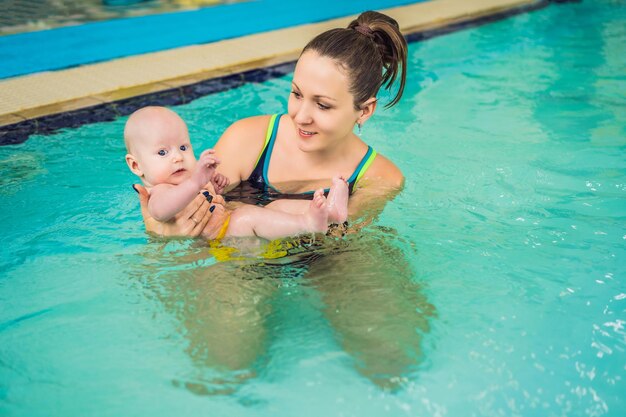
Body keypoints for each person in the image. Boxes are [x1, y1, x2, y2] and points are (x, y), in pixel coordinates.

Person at [133, 10, 407, 236]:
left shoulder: (379, 178)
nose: (301, 116)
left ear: (365, 111)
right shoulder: (247, 139)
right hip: (238, 262)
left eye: (322, 105)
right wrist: (161, 228)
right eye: (296, 94)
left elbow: (338, 242)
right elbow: (189, 213)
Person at [125, 106, 349, 240]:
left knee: (277, 206)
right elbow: (161, 212)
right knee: (247, 216)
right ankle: (308, 224)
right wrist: (196, 182)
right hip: (222, 237)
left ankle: (331, 212)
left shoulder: (188, 181)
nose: (177, 157)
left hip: (228, 222)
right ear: (136, 166)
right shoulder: (159, 192)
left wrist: (215, 184)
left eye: (183, 147)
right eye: (162, 152)